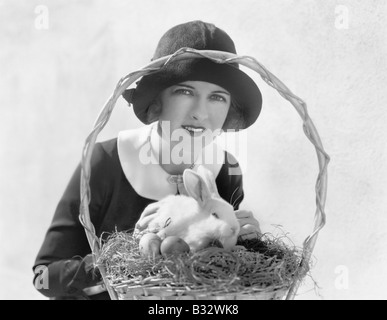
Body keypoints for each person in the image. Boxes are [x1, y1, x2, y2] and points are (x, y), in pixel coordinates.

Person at [33, 20, 263, 300]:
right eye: (185, 92)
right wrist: (124, 259)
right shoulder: (105, 161)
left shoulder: (227, 169)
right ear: (157, 100)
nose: (200, 113)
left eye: (217, 97)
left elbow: (213, 280)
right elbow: (44, 277)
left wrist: (248, 246)